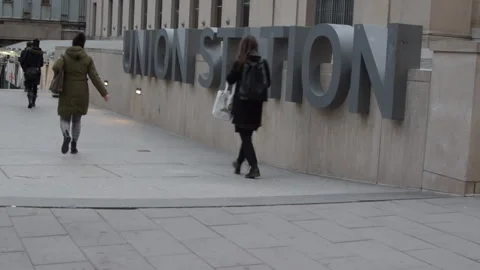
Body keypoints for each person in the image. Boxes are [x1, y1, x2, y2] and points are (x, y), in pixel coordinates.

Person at [52, 32, 109, 155]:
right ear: (83, 45)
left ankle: (66, 133)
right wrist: (104, 93)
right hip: (82, 92)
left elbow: (55, 67)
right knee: (77, 120)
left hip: (66, 90)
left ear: (73, 44)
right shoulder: (87, 59)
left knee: (64, 116)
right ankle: (74, 145)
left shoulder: (65, 56)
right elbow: (95, 77)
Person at [226, 35, 271, 179]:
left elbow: (230, 79)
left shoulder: (240, 63)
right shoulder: (263, 62)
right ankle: (238, 163)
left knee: (245, 137)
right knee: (247, 136)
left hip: (242, 104)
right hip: (256, 105)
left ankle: (254, 167)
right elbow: (267, 82)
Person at [19, 39, 43, 108]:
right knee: (35, 86)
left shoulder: (27, 51)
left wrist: (25, 69)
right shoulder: (40, 52)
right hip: (37, 70)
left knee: (29, 86)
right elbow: (41, 63)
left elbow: (22, 60)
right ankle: (33, 102)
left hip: (28, 70)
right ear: (39, 44)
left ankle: (29, 100)